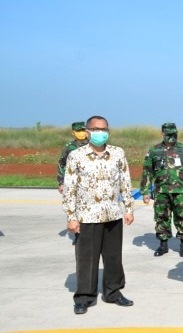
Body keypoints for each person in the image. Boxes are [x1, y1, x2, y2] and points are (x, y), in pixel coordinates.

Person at [62, 115, 135, 314]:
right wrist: (71, 216)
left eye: (104, 129)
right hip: (87, 216)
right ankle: (84, 297)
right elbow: (70, 188)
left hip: (112, 214)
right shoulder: (76, 156)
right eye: (96, 129)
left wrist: (128, 209)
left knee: (113, 257)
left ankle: (114, 292)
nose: (100, 133)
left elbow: (125, 182)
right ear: (87, 132)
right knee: (87, 258)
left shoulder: (117, 153)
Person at [140, 123, 183, 257]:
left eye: (174, 134)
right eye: (168, 135)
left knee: (182, 217)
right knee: (161, 217)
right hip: (161, 192)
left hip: (180, 191)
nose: (171, 137)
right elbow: (147, 172)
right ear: (162, 134)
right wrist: (145, 191)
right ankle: (163, 245)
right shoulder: (154, 151)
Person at [57, 121, 89, 245]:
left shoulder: (93, 145)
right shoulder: (69, 147)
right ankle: (78, 234)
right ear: (73, 132)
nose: (81, 133)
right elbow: (61, 164)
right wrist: (61, 182)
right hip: (73, 183)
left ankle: (89, 234)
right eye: (78, 131)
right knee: (74, 208)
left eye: (83, 130)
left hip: (89, 184)